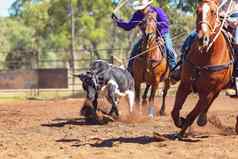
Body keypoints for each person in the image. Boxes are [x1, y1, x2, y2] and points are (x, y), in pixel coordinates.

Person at [176, 0, 238, 96]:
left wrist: (235, 21)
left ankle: (235, 79)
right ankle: (181, 67)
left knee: (237, 42)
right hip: (217, 20)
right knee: (192, 36)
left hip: (235, 23)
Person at [111, 0, 177, 74]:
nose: (141, 10)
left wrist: (157, 31)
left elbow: (165, 24)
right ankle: (130, 71)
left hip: (162, 34)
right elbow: (128, 26)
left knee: (169, 48)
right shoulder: (138, 14)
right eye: (140, 8)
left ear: (147, 6)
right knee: (135, 50)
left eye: (143, 8)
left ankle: (174, 69)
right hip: (147, 37)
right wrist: (117, 21)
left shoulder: (157, 11)